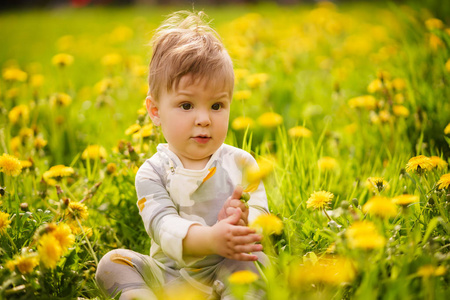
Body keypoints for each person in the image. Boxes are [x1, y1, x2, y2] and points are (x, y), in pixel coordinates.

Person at [95, 10, 269, 300]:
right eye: (187, 106)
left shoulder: (241, 163)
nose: (204, 119)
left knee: (254, 261)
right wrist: (211, 238)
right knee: (112, 264)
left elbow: (263, 219)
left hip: (226, 270)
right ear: (155, 111)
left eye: (216, 106)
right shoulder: (152, 173)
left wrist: (245, 220)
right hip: (170, 278)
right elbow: (163, 226)